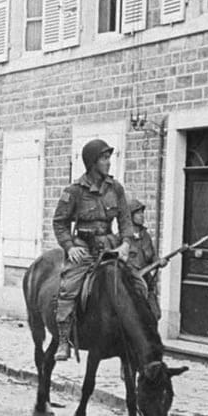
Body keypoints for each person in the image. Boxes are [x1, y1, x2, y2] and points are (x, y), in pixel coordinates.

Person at [51, 139, 127, 360]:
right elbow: (59, 223)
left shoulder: (116, 188)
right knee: (69, 287)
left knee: (138, 281)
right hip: (83, 248)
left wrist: (125, 244)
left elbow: (125, 220)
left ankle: (135, 336)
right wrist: (70, 246)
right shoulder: (74, 191)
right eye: (104, 158)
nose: (109, 163)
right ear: (93, 162)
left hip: (111, 248)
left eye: (109, 158)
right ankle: (64, 341)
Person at [122, 197, 161, 316]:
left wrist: (159, 261)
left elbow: (152, 256)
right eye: (138, 213)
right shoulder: (122, 238)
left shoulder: (146, 236)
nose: (142, 216)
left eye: (142, 213)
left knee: (155, 314)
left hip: (146, 283)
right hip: (130, 284)